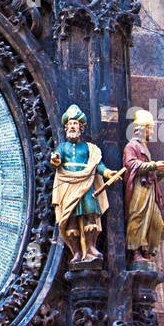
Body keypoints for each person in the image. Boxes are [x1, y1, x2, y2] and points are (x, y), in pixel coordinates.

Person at [51, 104, 118, 264]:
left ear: (81, 128)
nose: (72, 127)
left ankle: (90, 247)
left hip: (86, 184)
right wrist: (55, 159)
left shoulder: (88, 148)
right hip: (68, 184)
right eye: (70, 124)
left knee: (90, 215)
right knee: (70, 220)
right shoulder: (63, 146)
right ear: (66, 127)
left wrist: (107, 172)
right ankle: (76, 252)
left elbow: (96, 164)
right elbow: (57, 157)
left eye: (75, 124)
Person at [124, 109, 164, 261]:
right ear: (141, 128)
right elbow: (131, 164)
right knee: (138, 217)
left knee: (157, 222)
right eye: (150, 128)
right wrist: (154, 165)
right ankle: (136, 252)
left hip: (150, 189)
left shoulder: (144, 147)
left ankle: (148, 251)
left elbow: (150, 171)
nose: (152, 131)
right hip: (139, 188)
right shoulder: (131, 146)